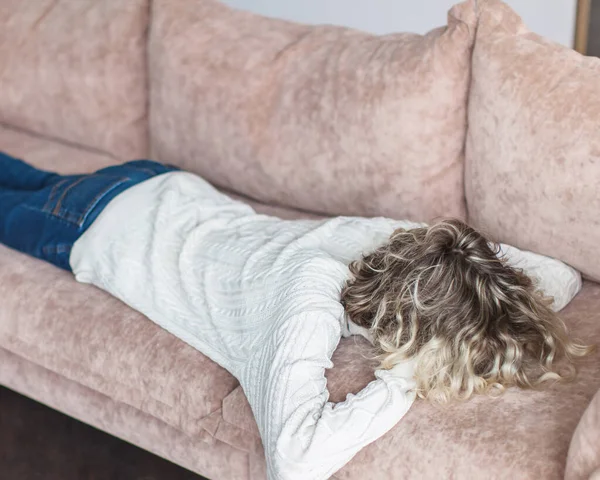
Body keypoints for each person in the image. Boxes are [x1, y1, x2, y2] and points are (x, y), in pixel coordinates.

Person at [0, 153, 590, 480]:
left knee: (18, 170)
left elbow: (559, 276)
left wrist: (489, 284)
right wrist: (404, 379)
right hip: (91, 225)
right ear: (411, 334)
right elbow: (297, 462)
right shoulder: (304, 298)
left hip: (161, 184)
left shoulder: (399, 243)